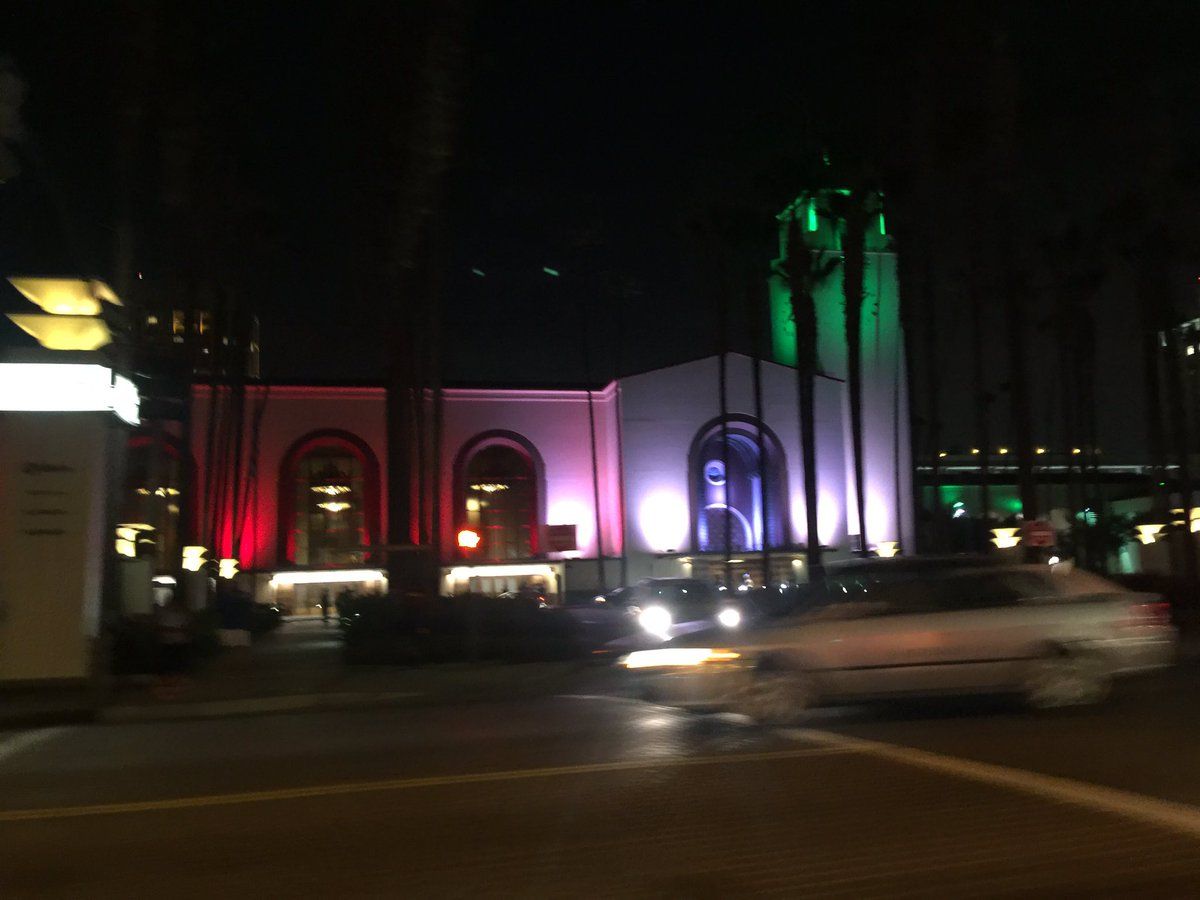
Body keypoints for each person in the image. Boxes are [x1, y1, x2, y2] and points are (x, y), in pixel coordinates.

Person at [155, 595, 194, 700]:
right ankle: (168, 689)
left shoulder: (182, 614)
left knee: (178, 666)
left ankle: (176, 688)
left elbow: (188, 627)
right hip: (168, 643)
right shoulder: (165, 614)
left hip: (180, 643)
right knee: (169, 666)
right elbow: (160, 627)